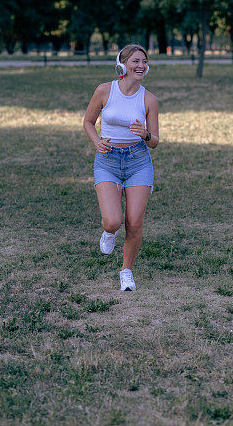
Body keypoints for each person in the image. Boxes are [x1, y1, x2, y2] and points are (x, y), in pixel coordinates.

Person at [83, 44, 159, 291]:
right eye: (136, 61)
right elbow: (88, 122)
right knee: (113, 221)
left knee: (134, 222)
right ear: (123, 64)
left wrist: (146, 134)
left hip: (138, 160)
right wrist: (97, 142)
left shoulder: (149, 99)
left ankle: (126, 270)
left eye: (144, 62)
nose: (141, 66)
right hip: (108, 160)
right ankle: (109, 232)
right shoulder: (105, 91)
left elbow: (156, 141)